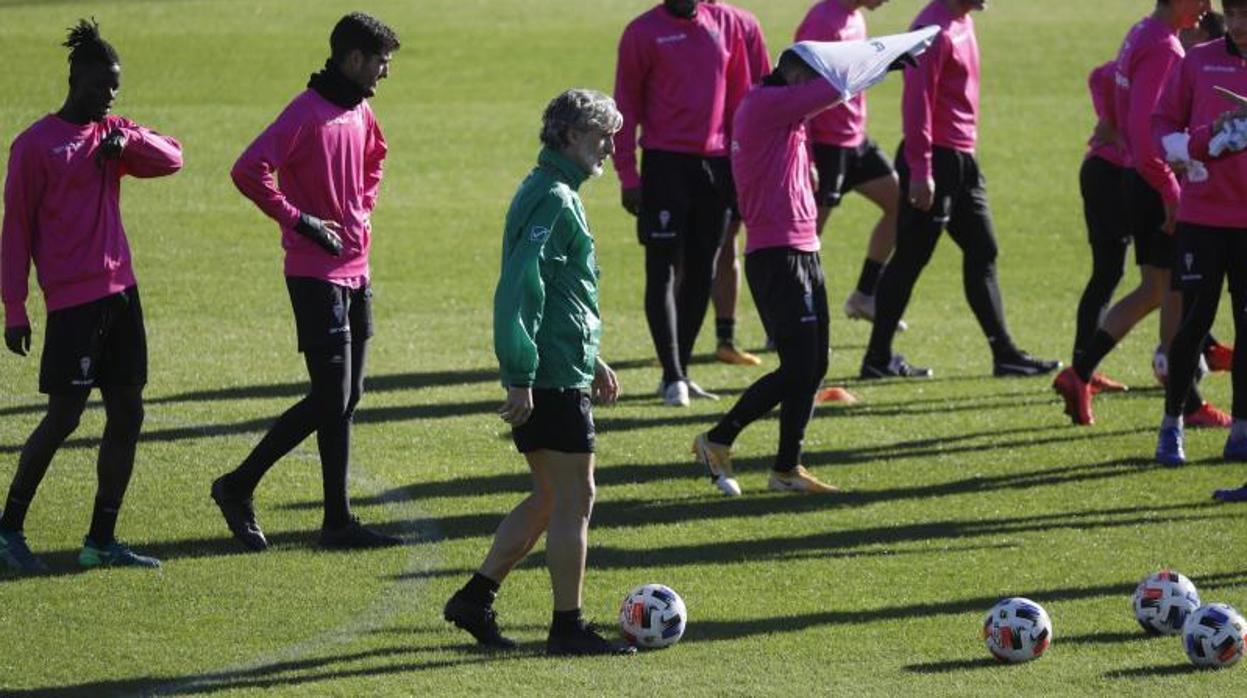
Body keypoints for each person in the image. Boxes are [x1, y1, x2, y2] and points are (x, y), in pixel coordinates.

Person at [691, 31, 929, 497]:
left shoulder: (786, 110)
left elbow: (827, 95)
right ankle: (718, 438)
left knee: (814, 364)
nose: (815, 88)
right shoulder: (765, 104)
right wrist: (886, 62)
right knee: (799, 366)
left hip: (802, 249)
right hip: (777, 254)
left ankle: (786, 470)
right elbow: (832, 90)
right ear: (796, 74)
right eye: (812, 78)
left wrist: (886, 66)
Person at [443, 89, 635, 657]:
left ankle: (475, 599)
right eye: (603, 135)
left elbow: (556, 292)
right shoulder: (553, 197)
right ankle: (567, 627)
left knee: (550, 496)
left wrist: (590, 355)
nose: (610, 146)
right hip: (549, 375)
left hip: (560, 365)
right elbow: (521, 285)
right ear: (571, 136)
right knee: (578, 497)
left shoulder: (551, 189)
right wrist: (521, 372)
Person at [210, 13, 401, 551]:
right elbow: (248, 170)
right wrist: (301, 221)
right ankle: (237, 485)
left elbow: (375, 159)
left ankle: (337, 522)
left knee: (347, 395)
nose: (386, 73)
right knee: (329, 397)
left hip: (356, 270)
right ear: (355, 59)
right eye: (381, 61)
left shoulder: (361, 108)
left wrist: (362, 209)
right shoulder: (305, 112)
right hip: (314, 273)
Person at [0, 19, 182, 572]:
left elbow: (173, 157)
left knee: (128, 413)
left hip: (122, 295)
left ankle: (101, 540)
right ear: (77, 77)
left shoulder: (112, 135)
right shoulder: (35, 146)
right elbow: (16, 232)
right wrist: (14, 308)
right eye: (103, 86)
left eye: (116, 89)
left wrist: (131, 140)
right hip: (73, 305)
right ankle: (8, 530)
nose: (109, 96)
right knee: (64, 416)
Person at [859, 0, 1060, 380]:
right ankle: (877, 358)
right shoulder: (931, 31)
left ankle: (1005, 354)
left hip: (961, 158)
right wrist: (921, 169)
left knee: (983, 249)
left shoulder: (960, 21)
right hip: (936, 159)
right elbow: (915, 103)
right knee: (911, 258)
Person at [1053, 0, 1227, 427]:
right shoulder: (1165, 46)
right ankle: (1186, 402)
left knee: (1155, 289)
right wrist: (1170, 192)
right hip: (1153, 182)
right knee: (1174, 292)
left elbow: (1124, 109)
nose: (1206, 7)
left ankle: (1079, 373)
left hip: (1138, 176)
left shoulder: (1141, 32)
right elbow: (1149, 128)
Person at [613, 0, 750, 406]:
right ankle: (671, 373)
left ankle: (681, 373)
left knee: (704, 271)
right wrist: (628, 174)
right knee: (662, 270)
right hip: (664, 166)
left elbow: (741, 101)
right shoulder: (642, 32)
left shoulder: (723, 25)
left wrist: (741, 165)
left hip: (715, 166)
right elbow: (626, 105)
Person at [1151, 0, 1247, 465]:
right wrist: (1202, 143)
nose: (1240, 24)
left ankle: (1242, 431)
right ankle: (1172, 425)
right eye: (1233, 13)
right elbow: (1162, 125)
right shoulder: (1198, 59)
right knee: (1194, 324)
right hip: (1204, 217)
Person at [795, 0, 909, 333]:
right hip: (826, 146)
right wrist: (808, 156)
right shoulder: (822, 22)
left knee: (899, 204)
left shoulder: (855, 17)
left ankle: (864, 295)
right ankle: (788, 322)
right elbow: (799, 89)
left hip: (855, 140)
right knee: (806, 240)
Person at [705, 0, 769, 367]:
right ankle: (679, 341)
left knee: (728, 240)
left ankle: (724, 338)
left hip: (735, 151)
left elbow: (766, 82)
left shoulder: (744, 24)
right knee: (691, 247)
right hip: (697, 152)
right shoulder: (675, 22)